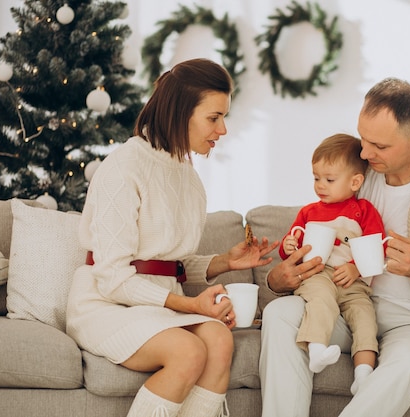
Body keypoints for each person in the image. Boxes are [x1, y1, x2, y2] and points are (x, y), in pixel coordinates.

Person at [259, 77, 410, 417]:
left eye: (380, 147)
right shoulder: (360, 174)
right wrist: (281, 276)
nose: (364, 153)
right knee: (280, 315)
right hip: (353, 306)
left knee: (403, 366)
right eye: (363, 139)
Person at [66, 58, 278, 417]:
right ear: (181, 112)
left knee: (219, 339)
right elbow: (113, 278)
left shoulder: (188, 176)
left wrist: (227, 262)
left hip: (152, 305)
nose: (223, 130)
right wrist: (193, 306)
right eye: (214, 118)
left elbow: (167, 263)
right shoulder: (125, 166)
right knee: (188, 350)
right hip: (105, 304)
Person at [279, 133, 386, 394]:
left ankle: (363, 374)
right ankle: (316, 350)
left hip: (353, 282)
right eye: (316, 178)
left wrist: (355, 268)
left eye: (329, 179)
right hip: (317, 273)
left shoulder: (364, 211)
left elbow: (378, 246)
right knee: (321, 301)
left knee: (365, 317)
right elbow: (292, 243)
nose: (320, 186)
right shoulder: (309, 212)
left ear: (355, 182)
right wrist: (287, 246)